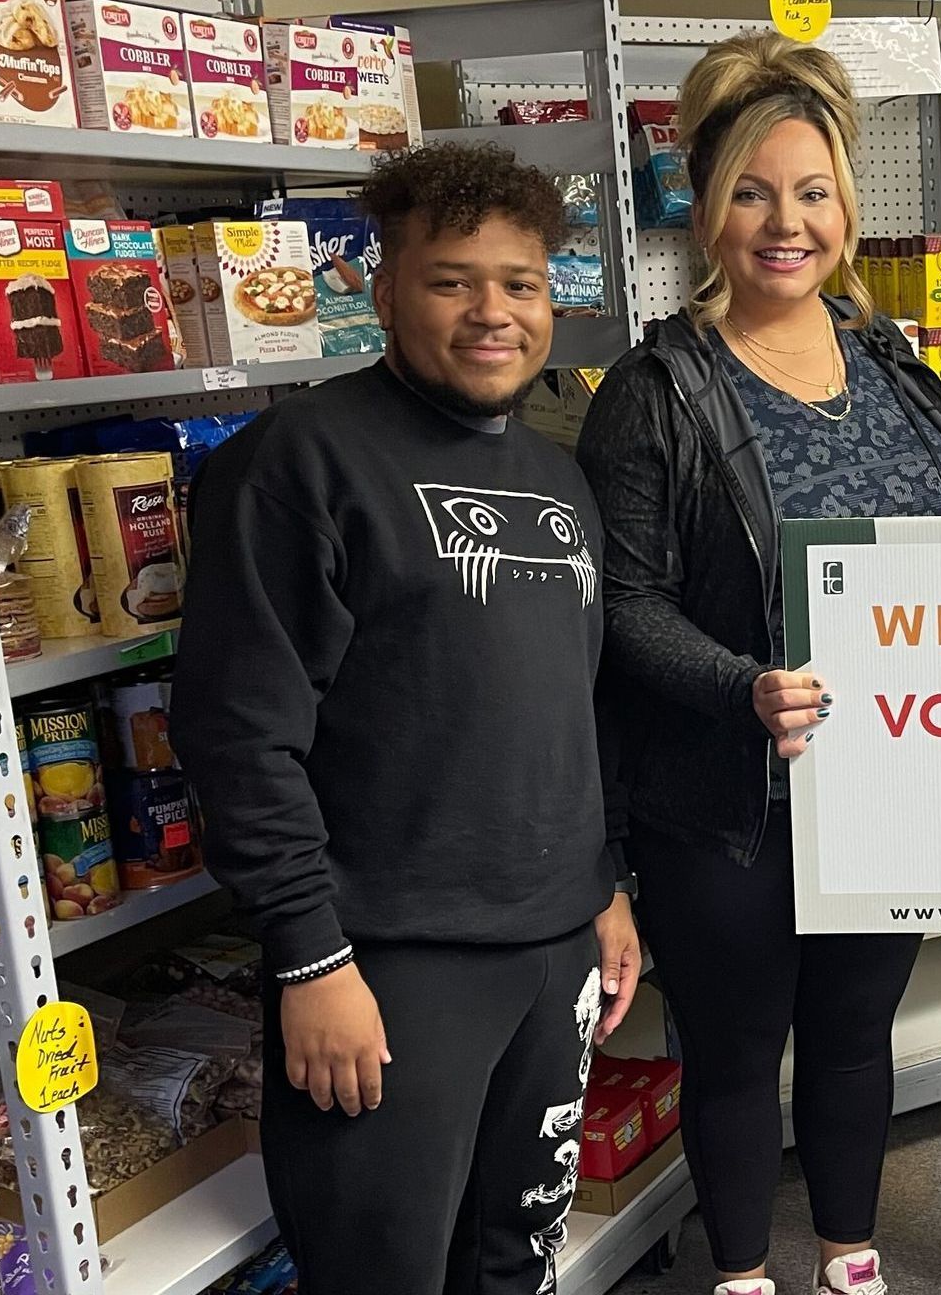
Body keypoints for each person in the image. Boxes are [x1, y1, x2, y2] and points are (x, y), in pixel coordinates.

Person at [170, 142, 641, 1295]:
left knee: (514, 1260)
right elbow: (240, 734)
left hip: (551, 952)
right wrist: (309, 957)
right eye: (452, 281)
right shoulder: (298, 463)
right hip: (386, 965)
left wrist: (605, 885)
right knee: (384, 1272)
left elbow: (571, 709)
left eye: (521, 284)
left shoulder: (555, 475)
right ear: (385, 293)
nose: (494, 312)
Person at [575, 31, 941, 1295]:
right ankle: (747, 1270)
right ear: (704, 210)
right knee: (741, 1046)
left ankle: (853, 1257)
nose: (784, 223)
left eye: (811, 193)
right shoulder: (657, 390)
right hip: (730, 803)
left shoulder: (894, 368)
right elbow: (626, 607)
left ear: (847, 209)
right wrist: (741, 686)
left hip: (885, 788)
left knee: (857, 1037)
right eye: (751, 192)